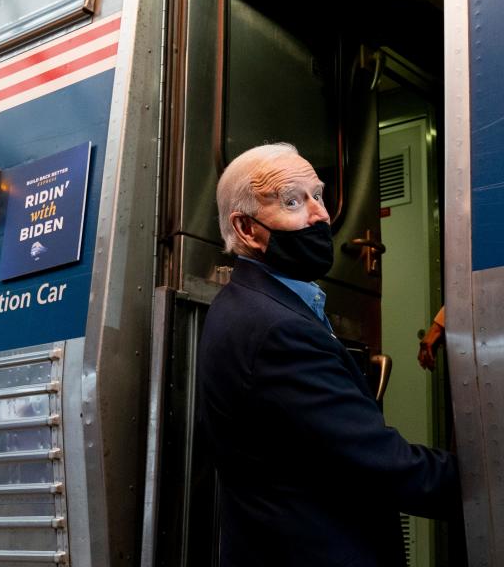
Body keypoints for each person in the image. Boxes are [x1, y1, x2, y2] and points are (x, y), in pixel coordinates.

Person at [197, 143, 460, 567]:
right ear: (247, 229)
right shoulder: (275, 329)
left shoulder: (256, 303)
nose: (319, 214)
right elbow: (377, 464)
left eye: (317, 194)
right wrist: (484, 482)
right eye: (291, 201)